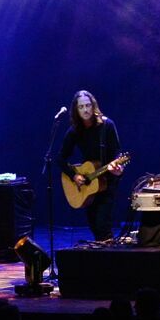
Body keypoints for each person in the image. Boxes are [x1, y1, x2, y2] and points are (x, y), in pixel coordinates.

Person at [59, 89, 124, 241]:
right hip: (89, 183)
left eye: (87, 105)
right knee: (94, 225)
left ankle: (109, 258)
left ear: (93, 106)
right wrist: (74, 175)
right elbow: (60, 158)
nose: (85, 110)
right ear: (76, 110)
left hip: (108, 180)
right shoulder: (75, 131)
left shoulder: (107, 125)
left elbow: (117, 152)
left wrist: (118, 167)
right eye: (81, 107)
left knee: (103, 225)